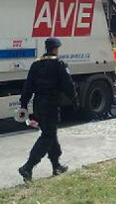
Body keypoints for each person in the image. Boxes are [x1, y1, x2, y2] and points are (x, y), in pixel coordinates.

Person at [17, 37, 78, 182]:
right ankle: (28, 166)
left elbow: (28, 86)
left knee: (50, 133)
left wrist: (24, 104)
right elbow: (68, 85)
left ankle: (56, 165)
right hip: (51, 104)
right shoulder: (59, 64)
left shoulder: (36, 64)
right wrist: (75, 101)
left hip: (38, 104)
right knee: (48, 136)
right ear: (56, 49)